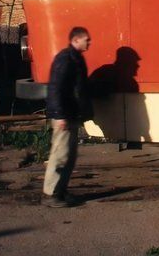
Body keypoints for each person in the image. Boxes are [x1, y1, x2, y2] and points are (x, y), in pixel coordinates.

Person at [41, 26, 93, 208]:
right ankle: (51, 194)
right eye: (87, 39)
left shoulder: (75, 58)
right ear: (76, 40)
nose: (89, 42)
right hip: (64, 115)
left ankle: (60, 191)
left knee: (69, 156)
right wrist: (60, 115)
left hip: (70, 114)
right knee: (60, 154)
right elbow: (56, 88)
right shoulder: (66, 59)